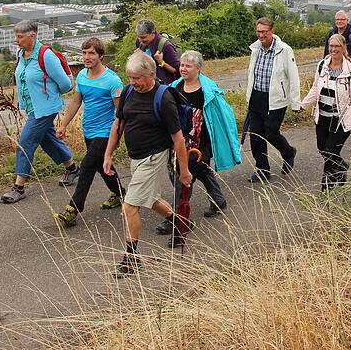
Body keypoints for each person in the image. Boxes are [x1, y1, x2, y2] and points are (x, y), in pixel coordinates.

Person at [102, 52, 192, 274]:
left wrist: (184, 171)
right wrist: (108, 155)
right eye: (130, 78)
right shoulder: (129, 91)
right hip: (136, 157)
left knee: (130, 205)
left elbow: (178, 139)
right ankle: (180, 222)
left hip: (154, 157)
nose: (133, 82)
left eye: (137, 78)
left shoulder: (164, 98)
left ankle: (131, 258)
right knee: (150, 198)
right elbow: (118, 124)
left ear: (151, 74)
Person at [1, 20, 78, 204]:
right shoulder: (21, 54)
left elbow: (66, 84)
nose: (16, 40)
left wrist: (50, 96)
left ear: (32, 36)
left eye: (20, 36)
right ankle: (73, 168)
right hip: (33, 107)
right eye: (16, 36)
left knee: (25, 143)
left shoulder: (46, 55)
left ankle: (18, 187)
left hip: (46, 108)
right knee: (47, 138)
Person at [162, 50, 240, 226]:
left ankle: (177, 218)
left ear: (198, 68)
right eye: (182, 65)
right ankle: (219, 200)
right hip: (181, 140)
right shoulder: (175, 87)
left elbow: (223, 116)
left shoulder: (209, 91)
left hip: (201, 143)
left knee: (184, 175)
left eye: (188, 66)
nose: (183, 69)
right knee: (201, 171)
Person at [53, 38, 124, 226]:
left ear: (100, 56)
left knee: (86, 168)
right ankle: (119, 194)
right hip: (89, 130)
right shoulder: (82, 76)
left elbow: (121, 112)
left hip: (106, 132)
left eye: (91, 53)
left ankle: (72, 210)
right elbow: (76, 102)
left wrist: (119, 136)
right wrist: (63, 125)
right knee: (102, 165)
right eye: (84, 53)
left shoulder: (112, 80)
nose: (86, 57)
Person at [300, 34, 351, 190]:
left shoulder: (349, 69)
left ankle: (326, 190)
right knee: (322, 148)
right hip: (323, 116)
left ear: (343, 47)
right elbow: (315, 88)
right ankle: (342, 166)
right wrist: (303, 105)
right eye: (331, 46)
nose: (333, 49)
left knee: (331, 150)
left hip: (341, 118)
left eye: (337, 46)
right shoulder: (322, 65)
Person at [244, 17, 301, 182]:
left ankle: (289, 152)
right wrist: (249, 96)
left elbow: (293, 77)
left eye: (264, 32)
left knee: (271, 133)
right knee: (255, 135)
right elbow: (251, 75)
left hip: (276, 99)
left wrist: (296, 102)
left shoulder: (284, 50)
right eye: (259, 31)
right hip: (256, 97)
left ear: (272, 31)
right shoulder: (255, 49)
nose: (261, 35)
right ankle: (262, 169)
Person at [134, 18, 180, 84]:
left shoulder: (166, 46)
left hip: (164, 87)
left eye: (143, 37)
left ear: (153, 33)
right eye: (138, 37)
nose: (140, 40)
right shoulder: (141, 43)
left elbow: (178, 71)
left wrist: (161, 62)